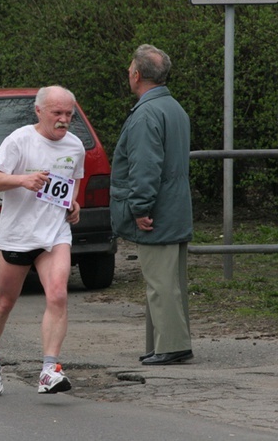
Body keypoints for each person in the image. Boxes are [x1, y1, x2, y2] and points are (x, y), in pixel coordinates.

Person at [0, 85, 84, 396]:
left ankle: (49, 369)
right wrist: (22, 180)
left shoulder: (76, 146)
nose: (64, 119)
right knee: (4, 302)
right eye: (57, 113)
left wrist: (73, 204)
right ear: (39, 112)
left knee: (58, 295)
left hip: (54, 235)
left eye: (69, 114)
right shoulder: (20, 140)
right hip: (18, 235)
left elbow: (73, 183)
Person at [110, 44, 193, 366]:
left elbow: (145, 166)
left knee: (160, 284)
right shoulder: (173, 107)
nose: (128, 73)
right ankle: (172, 341)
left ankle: (172, 346)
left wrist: (140, 208)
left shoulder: (146, 113)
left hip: (158, 212)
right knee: (171, 282)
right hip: (175, 207)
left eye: (130, 68)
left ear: (137, 75)